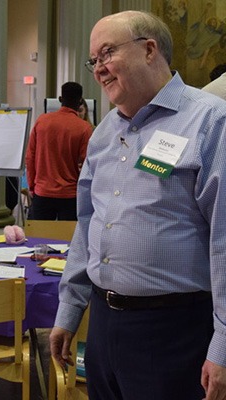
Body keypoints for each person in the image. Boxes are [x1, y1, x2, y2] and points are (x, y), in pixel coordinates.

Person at [50, 10, 226, 400]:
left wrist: (223, 348)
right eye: (93, 60)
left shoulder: (210, 121)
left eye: (107, 53)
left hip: (175, 331)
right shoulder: (103, 134)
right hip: (104, 325)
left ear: (149, 50)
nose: (98, 69)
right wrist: (70, 309)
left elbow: (224, 240)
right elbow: (87, 224)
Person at [25, 82, 93, 221]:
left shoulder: (42, 121)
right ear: (80, 101)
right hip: (70, 196)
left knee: (39, 239)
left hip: (42, 192)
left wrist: (32, 187)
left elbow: (30, 157)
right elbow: (87, 164)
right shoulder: (84, 128)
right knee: (67, 240)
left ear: (60, 99)